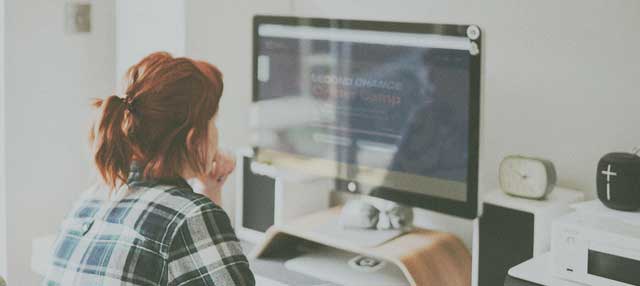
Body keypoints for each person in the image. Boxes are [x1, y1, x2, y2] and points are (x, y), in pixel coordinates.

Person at [43, 52, 255, 286]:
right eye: (213, 121)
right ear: (194, 138)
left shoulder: (92, 199)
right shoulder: (188, 216)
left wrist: (209, 187)